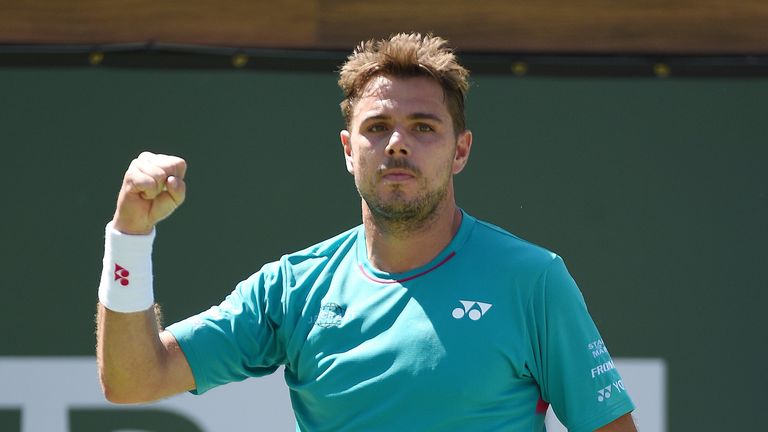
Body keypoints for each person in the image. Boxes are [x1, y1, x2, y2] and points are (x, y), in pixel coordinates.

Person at [96, 32, 637, 431]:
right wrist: (129, 237)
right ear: (348, 151)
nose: (398, 143)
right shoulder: (292, 288)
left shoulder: (532, 281)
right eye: (377, 128)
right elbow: (134, 379)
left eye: (423, 127)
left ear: (461, 151)